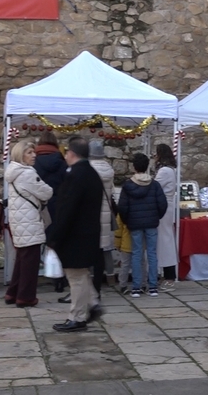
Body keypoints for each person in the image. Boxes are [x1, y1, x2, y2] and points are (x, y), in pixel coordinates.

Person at [48, 137, 105, 332]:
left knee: (76, 277)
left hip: (75, 235)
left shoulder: (76, 176)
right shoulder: (91, 174)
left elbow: (67, 209)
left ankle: (77, 317)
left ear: (71, 154)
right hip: (88, 233)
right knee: (81, 274)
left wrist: (55, 235)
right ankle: (93, 302)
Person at [4, 141, 53, 308]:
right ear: (21, 155)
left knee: (22, 259)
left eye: (34, 152)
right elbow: (47, 191)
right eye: (30, 152)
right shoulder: (27, 174)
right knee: (30, 261)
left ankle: (13, 292)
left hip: (19, 220)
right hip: (29, 220)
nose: (34, 155)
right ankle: (25, 296)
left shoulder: (13, 172)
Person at [118, 153, 167, 298]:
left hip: (135, 223)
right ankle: (152, 287)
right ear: (147, 167)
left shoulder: (128, 185)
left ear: (134, 167)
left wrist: (128, 221)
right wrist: (156, 217)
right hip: (151, 223)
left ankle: (136, 287)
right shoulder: (155, 185)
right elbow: (162, 204)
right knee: (152, 254)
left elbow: (122, 207)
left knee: (136, 254)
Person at [32, 130, 68, 293]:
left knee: (36, 243)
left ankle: (33, 277)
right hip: (59, 205)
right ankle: (60, 279)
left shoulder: (34, 162)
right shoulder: (61, 161)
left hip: (39, 207)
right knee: (58, 243)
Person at [88, 140, 117, 295]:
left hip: (91, 213)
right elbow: (111, 192)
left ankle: (91, 282)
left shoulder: (88, 170)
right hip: (105, 213)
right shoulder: (109, 170)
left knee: (89, 250)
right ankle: (105, 279)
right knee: (103, 250)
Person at [154, 143, 177, 291]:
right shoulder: (170, 169)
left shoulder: (164, 171)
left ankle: (169, 276)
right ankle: (166, 274)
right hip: (166, 207)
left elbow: (154, 186)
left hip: (164, 208)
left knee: (165, 241)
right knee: (164, 241)